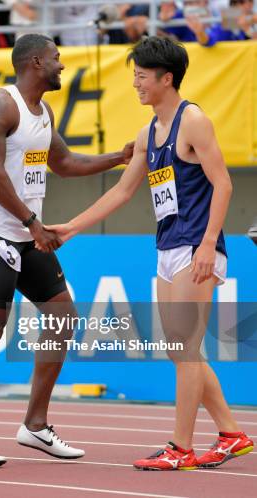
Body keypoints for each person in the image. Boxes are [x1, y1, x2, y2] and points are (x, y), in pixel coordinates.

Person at [47, 36, 254, 470]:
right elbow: (123, 191)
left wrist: (206, 243)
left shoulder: (193, 120)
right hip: (166, 247)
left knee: (184, 347)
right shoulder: (147, 134)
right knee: (184, 349)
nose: (136, 84)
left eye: (142, 76)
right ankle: (232, 434)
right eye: (135, 76)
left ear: (167, 78)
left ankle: (181, 448)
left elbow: (224, 184)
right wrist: (71, 226)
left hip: (199, 246)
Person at [0, 33, 134, 467]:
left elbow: (65, 163)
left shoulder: (43, 111)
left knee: (62, 316)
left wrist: (120, 157)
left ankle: (35, 426)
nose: (62, 65)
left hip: (28, 235)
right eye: (56, 58)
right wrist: (33, 223)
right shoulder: (2, 104)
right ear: (34, 62)